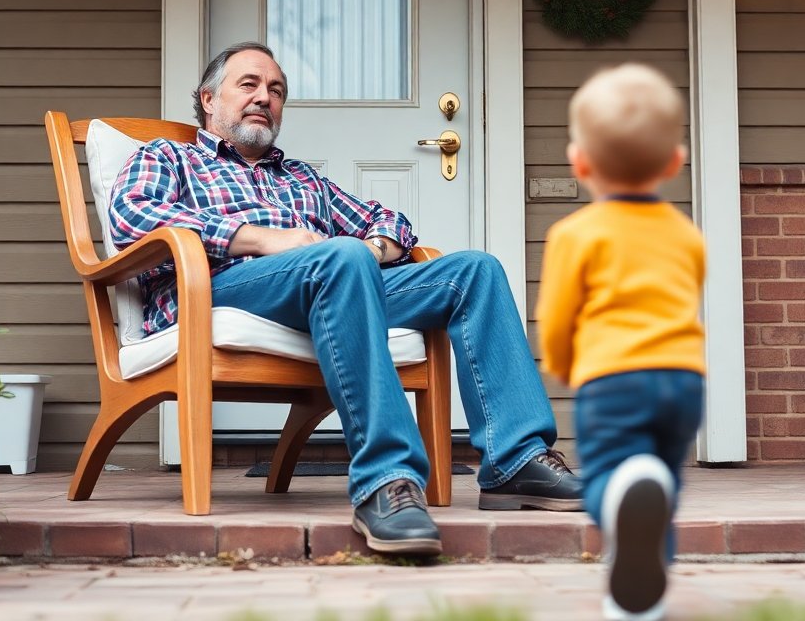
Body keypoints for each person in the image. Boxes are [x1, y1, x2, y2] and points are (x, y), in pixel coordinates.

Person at [108, 42, 583, 557]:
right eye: (248, 84)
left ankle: (516, 461)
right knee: (341, 257)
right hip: (219, 291)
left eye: (276, 90)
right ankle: (387, 481)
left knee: (473, 271)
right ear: (207, 99)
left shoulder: (301, 178)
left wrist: (372, 247)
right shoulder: (168, 156)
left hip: (330, 284)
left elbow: (390, 223)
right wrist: (259, 237)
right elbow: (133, 219)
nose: (264, 98)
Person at [535, 63, 707, 621]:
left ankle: (624, 497)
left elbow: (557, 317)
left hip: (613, 378)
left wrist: (563, 364)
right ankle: (639, 602)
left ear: (580, 163)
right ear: (675, 162)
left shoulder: (574, 235)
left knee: (612, 477)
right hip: (683, 380)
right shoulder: (687, 235)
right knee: (661, 484)